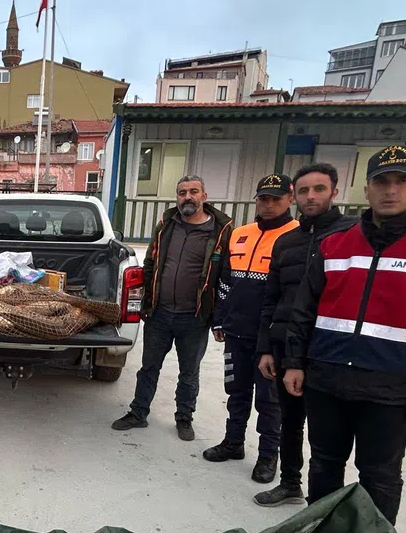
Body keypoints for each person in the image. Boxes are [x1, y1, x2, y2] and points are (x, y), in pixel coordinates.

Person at [282, 145, 406, 524]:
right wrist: (295, 362)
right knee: (324, 466)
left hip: (392, 388)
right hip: (327, 379)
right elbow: (304, 310)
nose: (391, 190)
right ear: (367, 188)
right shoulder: (335, 243)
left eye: (402, 180)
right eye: (381, 181)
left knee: (380, 476)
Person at [253, 163, 357, 507]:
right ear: (295, 195)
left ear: (335, 192)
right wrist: (267, 348)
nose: (310, 197)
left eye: (319, 189)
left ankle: (323, 500)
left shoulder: (353, 235)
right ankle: (290, 483)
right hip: (286, 346)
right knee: (291, 420)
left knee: (329, 431)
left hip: (330, 347)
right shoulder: (286, 243)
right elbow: (271, 299)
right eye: (304, 191)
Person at [111, 175, 233, 440]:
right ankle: (138, 412)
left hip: (194, 316)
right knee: (148, 367)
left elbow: (225, 275)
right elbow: (151, 264)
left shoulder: (220, 232)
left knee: (189, 372)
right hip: (160, 312)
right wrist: (146, 301)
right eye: (181, 192)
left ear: (204, 196)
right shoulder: (167, 225)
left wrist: (219, 317)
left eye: (193, 191)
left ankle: (184, 418)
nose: (187, 197)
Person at [203, 174, 298, 483]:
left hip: (271, 341)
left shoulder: (296, 236)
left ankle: (269, 457)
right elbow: (226, 282)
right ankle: (233, 443)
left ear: (289, 199)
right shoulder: (240, 233)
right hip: (237, 332)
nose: (269, 205)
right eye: (263, 198)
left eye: (276, 198)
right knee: (237, 392)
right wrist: (220, 318)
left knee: (270, 401)